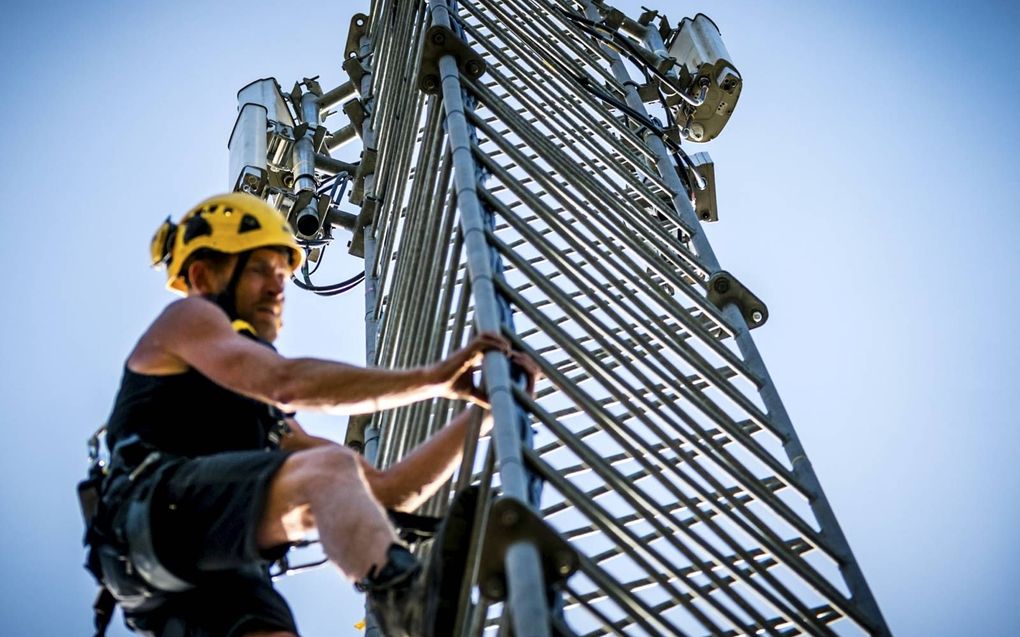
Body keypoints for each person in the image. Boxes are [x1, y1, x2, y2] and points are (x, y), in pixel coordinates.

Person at [83, 191, 537, 637]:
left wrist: (492, 407)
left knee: (327, 480)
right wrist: (434, 379)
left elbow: (384, 493)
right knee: (327, 470)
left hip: (203, 570)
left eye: (281, 272)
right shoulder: (188, 318)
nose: (278, 285)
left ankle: (415, 605)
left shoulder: (262, 419)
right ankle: (412, 606)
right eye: (260, 268)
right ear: (202, 275)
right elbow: (287, 382)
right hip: (152, 518)